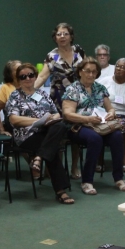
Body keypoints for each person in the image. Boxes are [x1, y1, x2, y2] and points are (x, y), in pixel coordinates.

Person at [5, 63, 74, 205]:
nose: (27, 78)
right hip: (27, 135)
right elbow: (14, 119)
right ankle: (61, 191)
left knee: (60, 125)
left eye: (30, 75)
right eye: (23, 76)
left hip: (47, 132)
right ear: (18, 80)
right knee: (52, 149)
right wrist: (39, 120)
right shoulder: (15, 96)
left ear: (35, 76)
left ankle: (39, 157)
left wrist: (50, 119)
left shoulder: (42, 94)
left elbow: (56, 114)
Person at [62, 58, 125, 194]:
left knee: (117, 136)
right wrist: (87, 119)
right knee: (95, 139)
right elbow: (67, 114)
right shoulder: (72, 89)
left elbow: (111, 108)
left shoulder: (100, 88)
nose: (91, 75)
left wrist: (111, 113)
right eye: (87, 71)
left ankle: (119, 178)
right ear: (80, 72)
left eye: (94, 72)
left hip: (100, 125)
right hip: (78, 126)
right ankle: (87, 181)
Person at [34, 22, 86, 173]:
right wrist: (28, 91)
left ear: (71, 36)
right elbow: (43, 76)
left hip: (79, 96)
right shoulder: (52, 56)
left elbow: (88, 68)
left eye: (65, 34)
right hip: (59, 97)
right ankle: (57, 169)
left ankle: (75, 166)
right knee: (60, 132)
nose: (62, 37)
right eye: (59, 34)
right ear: (55, 38)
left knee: (78, 129)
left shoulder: (79, 50)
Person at [98, 57, 125, 173]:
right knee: (99, 129)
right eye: (117, 66)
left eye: (122, 67)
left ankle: (124, 160)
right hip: (105, 113)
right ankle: (99, 160)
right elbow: (94, 97)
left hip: (123, 114)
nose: (118, 69)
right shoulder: (104, 81)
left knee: (122, 129)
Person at [0, 60, 21, 134]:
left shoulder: (28, 85)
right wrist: (1, 130)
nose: (21, 71)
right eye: (17, 70)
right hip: (15, 126)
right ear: (10, 74)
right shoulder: (6, 88)